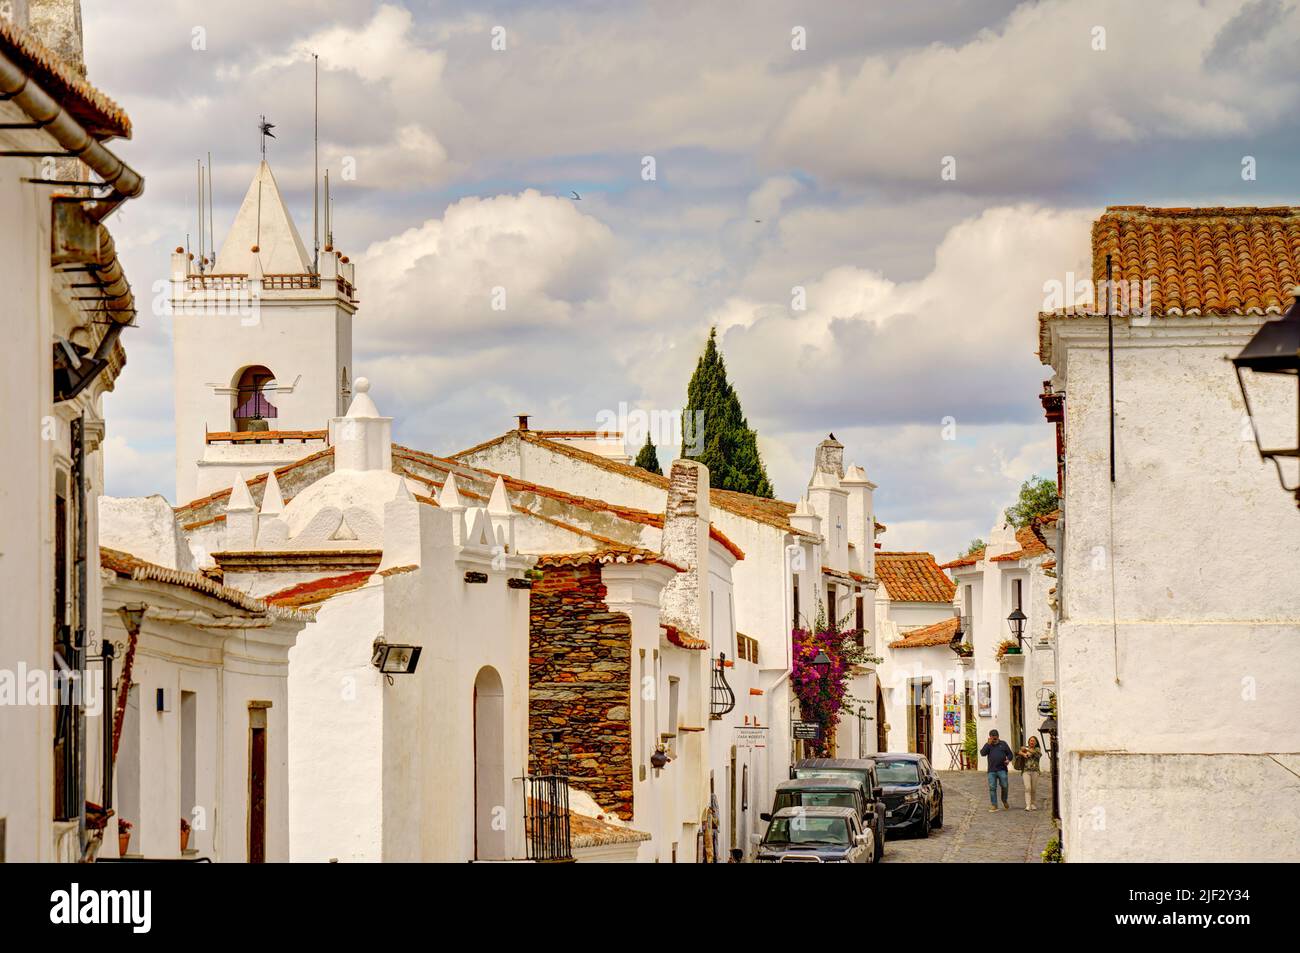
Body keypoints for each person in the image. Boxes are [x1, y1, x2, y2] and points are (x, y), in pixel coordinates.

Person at [980, 729, 1014, 811]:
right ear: (990, 737)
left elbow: (1010, 754)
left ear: (998, 736)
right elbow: (982, 753)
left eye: (995, 737)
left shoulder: (1003, 744)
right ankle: (994, 804)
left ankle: (1004, 800)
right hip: (991, 770)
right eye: (992, 737)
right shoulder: (988, 745)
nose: (994, 739)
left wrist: (1008, 760)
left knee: (1005, 785)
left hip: (1002, 769)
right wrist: (988, 744)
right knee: (992, 788)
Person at [1018, 736, 1043, 810]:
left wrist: (1026, 749)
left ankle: (1033, 803)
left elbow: (1036, 754)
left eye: (1033, 741)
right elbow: (1018, 752)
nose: (1032, 742)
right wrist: (1023, 754)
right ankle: (1028, 805)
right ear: (1028, 742)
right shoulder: (1024, 749)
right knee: (1027, 788)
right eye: (1030, 741)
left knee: (1033, 789)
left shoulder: (1037, 749)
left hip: (1035, 771)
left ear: (1036, 743)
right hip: (1026, 770)